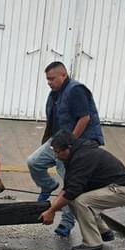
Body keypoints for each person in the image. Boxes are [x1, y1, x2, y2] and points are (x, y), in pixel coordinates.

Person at [27, 61, 104, 238]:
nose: (49, 82)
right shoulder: (54, 93)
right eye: (47, 79)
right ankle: (48, 185)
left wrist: (71, 144)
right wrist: (48, 142)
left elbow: (84, 118)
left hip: (76, 144)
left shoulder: (76, 90)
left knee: (70, 185)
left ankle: (67, 223)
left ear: (64, 75)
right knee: (34, 162)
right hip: (58, 140)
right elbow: (53, 120)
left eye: (52, 78)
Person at [38, 129, 125, 250]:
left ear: (68, 148)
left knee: (82, 202)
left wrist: (51, 211)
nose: (56, 156)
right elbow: (68, 188)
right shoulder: (74, 155)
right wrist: (53, 206)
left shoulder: (83, 157)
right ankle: (103, 231)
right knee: (73, 200)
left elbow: (72, 191)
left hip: (122, 190)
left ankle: (93, 244)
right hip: (112, 187)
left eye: (57, 152)